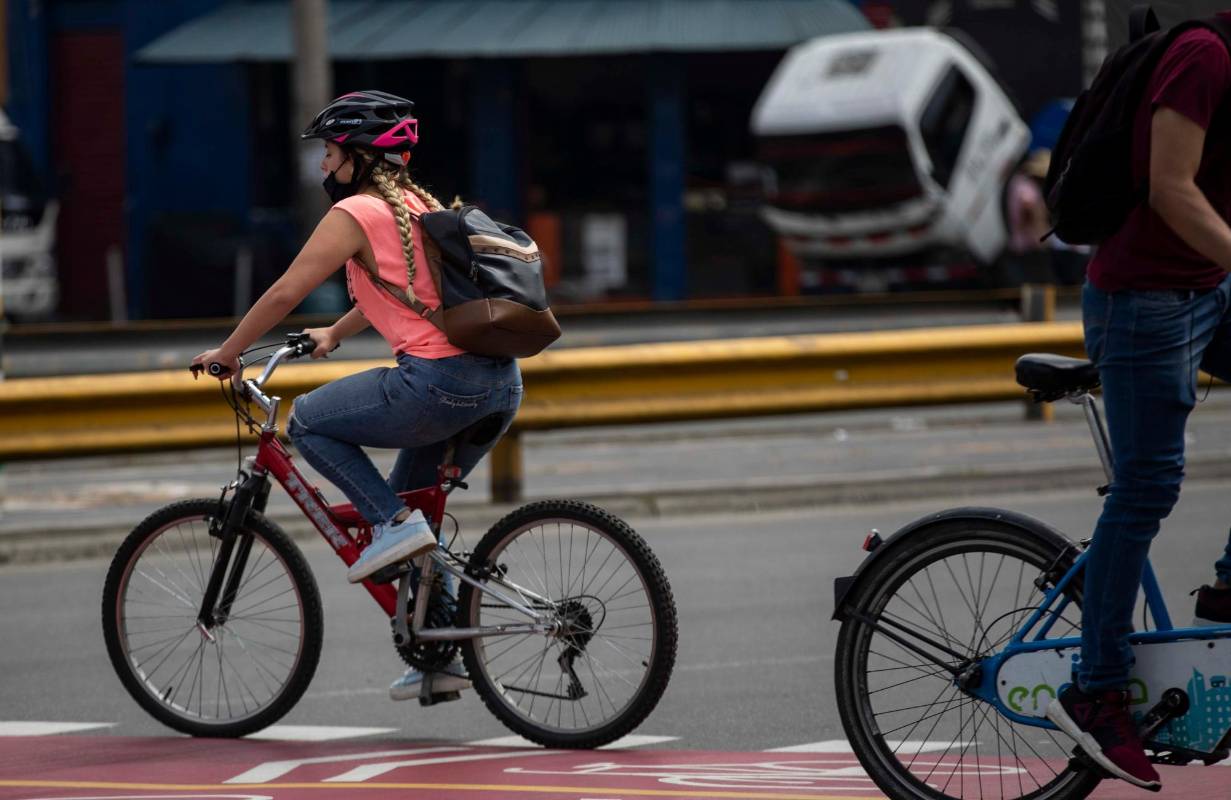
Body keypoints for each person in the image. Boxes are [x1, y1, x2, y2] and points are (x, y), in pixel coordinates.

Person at [191, 90, 523, 701]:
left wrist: (229, 352)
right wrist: (335, 333)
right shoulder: (420, 204)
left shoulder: (356, 214)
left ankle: (392, 526)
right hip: (499, 385)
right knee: (416, 517)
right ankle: (439, 657)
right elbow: (409, 289)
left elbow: (286, 291)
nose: (322, 166)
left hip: (438, 385)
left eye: (329, 153)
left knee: (311, 421)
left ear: (358, 158)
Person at [1043, 18, 1231, 791]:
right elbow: (1169, 187)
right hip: (1145, 300)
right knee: (1146, 488)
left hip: (1202, 288)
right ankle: (1098, 688)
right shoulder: (1204, 57)